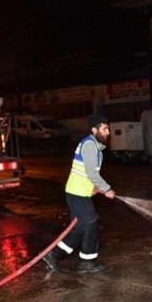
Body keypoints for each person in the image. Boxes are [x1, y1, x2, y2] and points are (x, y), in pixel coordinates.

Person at [42, 113, 115, 273]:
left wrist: (94, 188)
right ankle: (86, 262)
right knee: (91, 224)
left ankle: (53, 255)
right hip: (77, 193)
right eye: (105, 129)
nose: (108, 133)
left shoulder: (94, 146)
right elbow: (91, 172)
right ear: (94, 130)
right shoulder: (90, 145)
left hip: (80, 192)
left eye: (108, 129)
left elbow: (85, 172)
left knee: (80, 228)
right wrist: (107, 189)